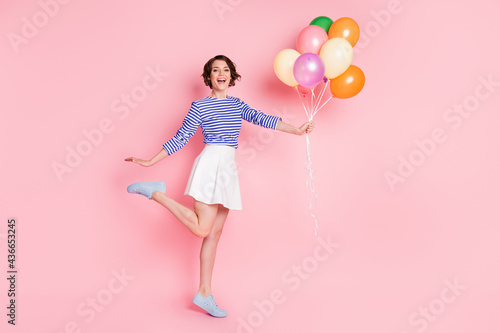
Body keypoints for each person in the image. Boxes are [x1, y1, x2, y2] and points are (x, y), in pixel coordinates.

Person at [125, 55, 314, 318]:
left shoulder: (237, 105)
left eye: (226, 70)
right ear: (209, 77)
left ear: (232, 76)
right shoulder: (200, 106)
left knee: (214, 235)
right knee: (203, 229)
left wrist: (297, 130)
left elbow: (264, 119)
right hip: (209, 165)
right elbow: (181, 138)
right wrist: (149, 162)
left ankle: (204, 293)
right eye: (216, 70)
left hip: (227, 168)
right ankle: (156, 193)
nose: (221, 74)